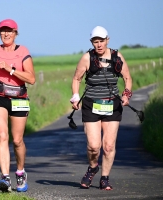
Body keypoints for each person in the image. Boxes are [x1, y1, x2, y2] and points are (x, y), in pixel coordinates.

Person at [70, 26, 132, 190]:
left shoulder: (117, 56)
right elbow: (76, 79)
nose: (98, 45)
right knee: (93, 146)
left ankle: (104, 178)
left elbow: (127, 78)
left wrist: (126, 95)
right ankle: (93, 167)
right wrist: (76, 96)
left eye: (101, 41)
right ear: (92, 42)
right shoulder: (87, 58)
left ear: (107, 40)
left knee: (109, 145)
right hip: (91, 104)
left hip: (112, 104)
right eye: (95, 41)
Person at [0, 19, 35, 192]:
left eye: (9, 31)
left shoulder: (23, 51)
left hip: (19, 97)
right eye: (3, 31)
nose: (6, 34)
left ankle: (20, 172)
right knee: (2, 135)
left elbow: (31, 79)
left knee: (17, 140)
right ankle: (5, 178)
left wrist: (10, 70)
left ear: (15, 33)